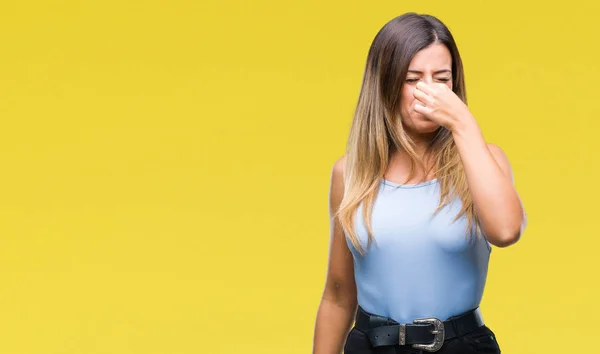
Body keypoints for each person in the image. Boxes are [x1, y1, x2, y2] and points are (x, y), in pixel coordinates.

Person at [312, 13, 527, 354]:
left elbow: (505, 231)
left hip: (461, 346)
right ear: (386, 83)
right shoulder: (350, 173)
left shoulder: (484, 162)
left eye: (441, 79)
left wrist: (463, 123)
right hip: (370, 345)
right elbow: (338, 294)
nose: (429, 92)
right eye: (413, 79)